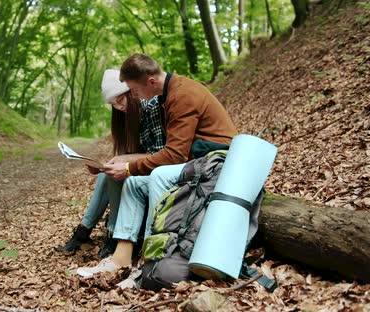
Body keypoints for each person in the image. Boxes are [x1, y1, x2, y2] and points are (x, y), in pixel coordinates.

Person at [76, 54, 238, 281]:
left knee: (156, 176)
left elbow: (174, 154)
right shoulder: (168, 94)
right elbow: (174, 151)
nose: (134, 96)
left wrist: (130, 167)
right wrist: (129, 170)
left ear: (150, 81)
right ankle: (120, 259)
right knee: (133, 182)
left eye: (134, 90)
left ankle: (150, 261)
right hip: (197, 161)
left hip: (215, 162)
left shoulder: (182, 95)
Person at [55, 69, 165, 257]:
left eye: (120, 101)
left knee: (113, 175)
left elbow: (161, 153)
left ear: (132, 92)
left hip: (161, 169)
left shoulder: (152, 106)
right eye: (113, 104)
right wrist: (105, 165)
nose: (118, 108)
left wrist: (124, 161)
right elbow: (135, 154)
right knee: (108, 173)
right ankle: (85, 231)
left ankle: (111, 234)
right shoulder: (130, 114)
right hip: (145, 167)